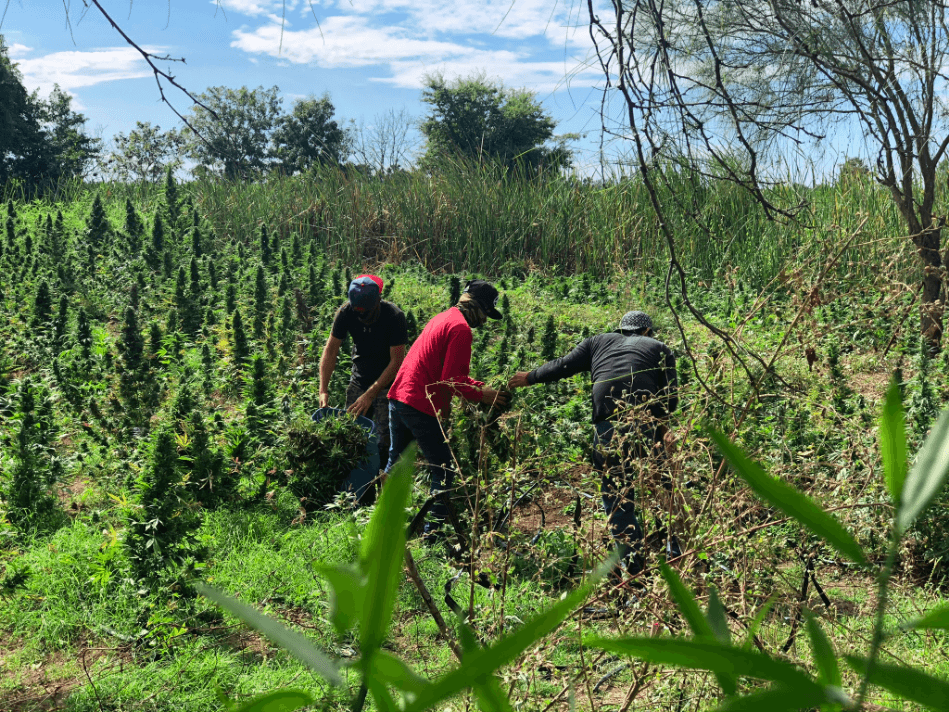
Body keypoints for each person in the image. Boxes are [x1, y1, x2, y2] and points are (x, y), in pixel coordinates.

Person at [508, 310, 678, 574]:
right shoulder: (660, 347)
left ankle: (633, 569)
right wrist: (662, 437)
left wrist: (529, 377)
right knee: (664, 484)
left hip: (608, 422)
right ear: (646, 331)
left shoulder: (597, 341)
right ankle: (677, 552)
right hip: (645, 420)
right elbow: (670, 401)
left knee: (617, 493)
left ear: (621, 329)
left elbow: (562, 366)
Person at [386, 279, 510, 534]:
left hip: (399, 396)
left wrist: (481, 386)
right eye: (485, 313)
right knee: (444, 470)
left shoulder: (444, 318)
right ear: (476, 306)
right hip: (420, 403)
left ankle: (382, 524)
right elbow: (452, 381)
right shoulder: (462, 330)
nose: (485, 321)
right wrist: (483, 395)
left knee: (396, 465)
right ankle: (434, 535)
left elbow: (450, 374)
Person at [319, 274, 407, 469]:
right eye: (357, 312)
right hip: (359, 378)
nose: (362, 317)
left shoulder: (394, 316)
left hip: (388, 384)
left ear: (378, 300)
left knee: (385, 441)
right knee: (351, 435)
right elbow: (331, 350)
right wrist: (323, 390)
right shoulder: (345, 312)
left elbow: (396, 362)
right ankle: (354, 489)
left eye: (366, 312)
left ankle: (382, 485)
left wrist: (371, 394)